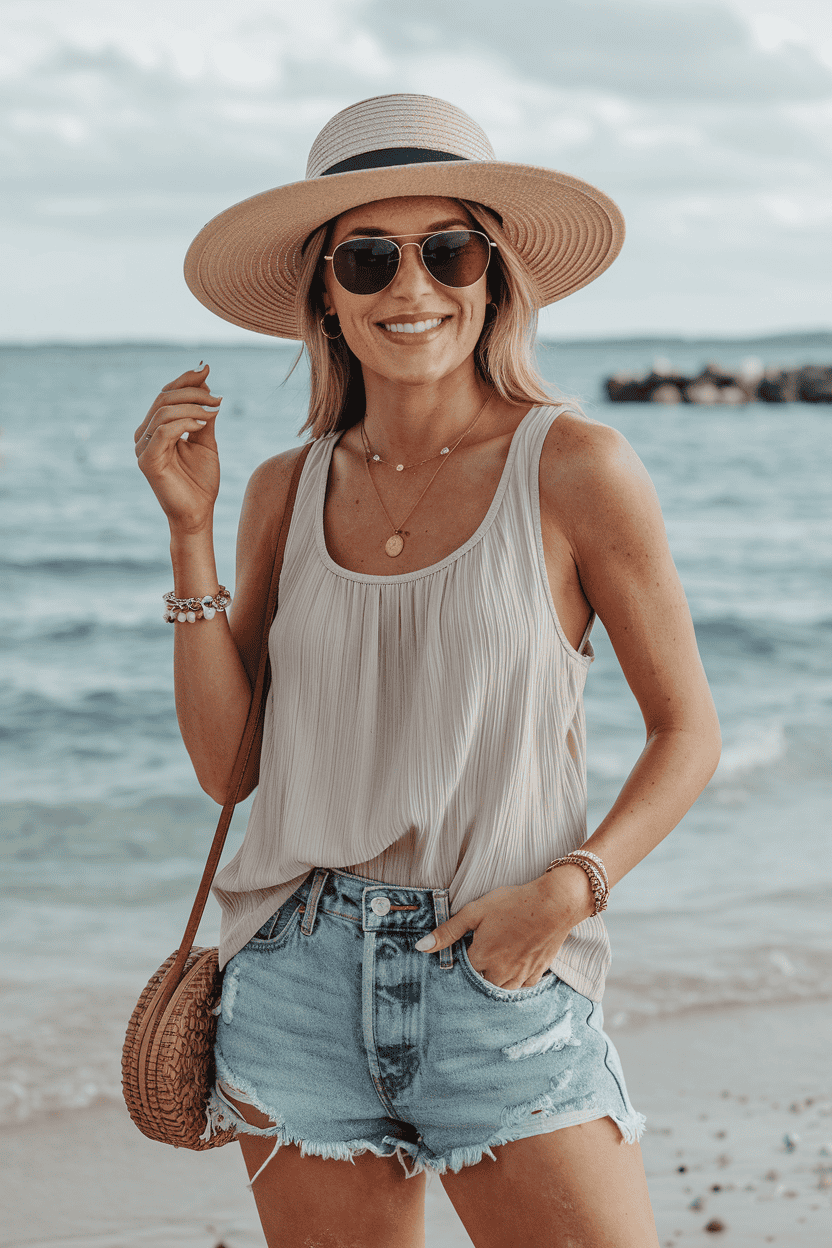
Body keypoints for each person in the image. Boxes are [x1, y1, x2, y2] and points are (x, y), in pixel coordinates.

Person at [135, 94, 720, 1248]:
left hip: (499, 964)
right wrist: (188, 531)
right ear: (325, 300)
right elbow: (227, 768)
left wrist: (569, 891)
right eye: (367, 259)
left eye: (446, 251)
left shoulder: (576, 468)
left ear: (493, 277)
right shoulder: (283, 491)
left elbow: (685, 731)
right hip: (292, 981)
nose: (411, 289)